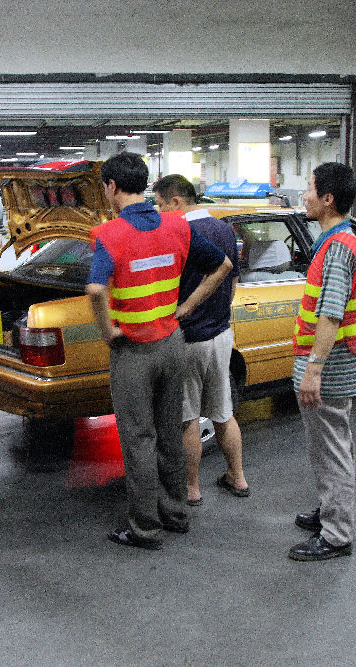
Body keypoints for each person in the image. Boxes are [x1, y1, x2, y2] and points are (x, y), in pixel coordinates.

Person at [87, 152, 232, 550]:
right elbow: (222, 266)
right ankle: (176, 513)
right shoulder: (176, 226)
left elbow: (96, 289)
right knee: (171, 432)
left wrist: (106, 331)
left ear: (112, 187)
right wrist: (185, 308)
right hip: (173, 344)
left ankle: (144, 528)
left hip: (134, 351)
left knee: (138, 439)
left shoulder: (110, 234)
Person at [152, 175, 249, 506]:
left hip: (189, 337)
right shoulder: (224, 229)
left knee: (188, 417)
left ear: (176, 202)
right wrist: (218, 313)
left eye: (161, 205)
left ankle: (192, 488)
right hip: (222, 335)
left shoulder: (179, 232)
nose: (159, 212)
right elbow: (232, 280)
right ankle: (237, 477)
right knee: (223, 412)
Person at [289, 162, 356, 562]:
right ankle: (329, 509)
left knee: (331, 449)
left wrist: (313, 370)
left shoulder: (337, 247)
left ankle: (336, 534)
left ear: (327, 199)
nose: (304, 195)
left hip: (328, 368)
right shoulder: (337, 240)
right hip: (332, 365)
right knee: (332, 444)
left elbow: (331, 314)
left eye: (309, 189)